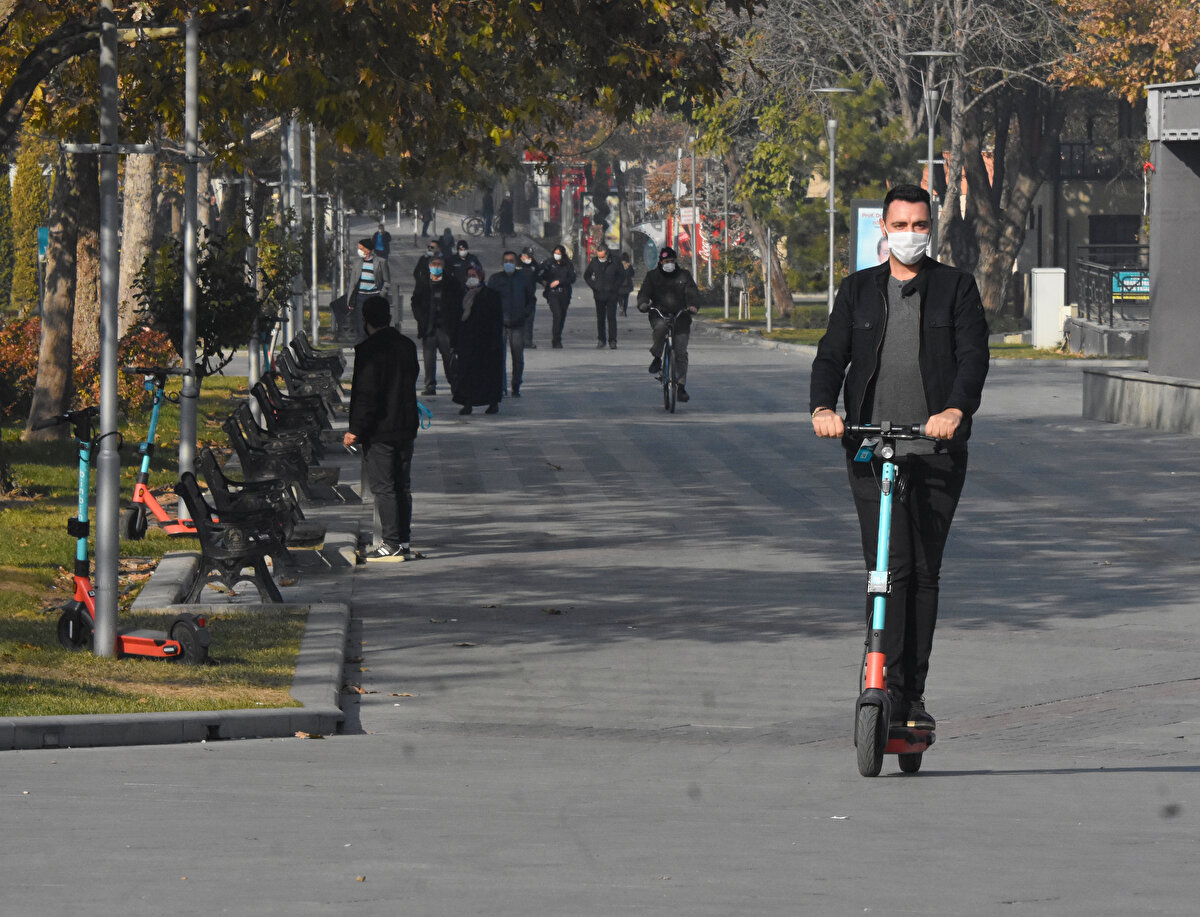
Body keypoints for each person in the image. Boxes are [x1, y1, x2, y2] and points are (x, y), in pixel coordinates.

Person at [809, 183, 990, 730]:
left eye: (919, 225)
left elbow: (973, 359)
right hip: (871, 447)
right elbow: (830, 354)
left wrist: (955, 412)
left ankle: (912, 697)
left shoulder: (955, 288)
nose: (910, 234)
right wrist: (822, 407)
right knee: (886, 571)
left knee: (924, 571)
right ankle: (879, 678)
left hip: (934, 450)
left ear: (929, 229)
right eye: (900, 225)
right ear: (881, 230)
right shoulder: (859, 291)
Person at [344, 295, 421, 561]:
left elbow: (367, 395)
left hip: (380, 430)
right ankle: (404, 540)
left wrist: (355, 429)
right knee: (403, 485)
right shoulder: (407, 346)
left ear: (366, 320)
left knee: (384, 487)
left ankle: (391, 543)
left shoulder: (368, 351)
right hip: (406, 425)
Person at [637, 246, 699, 401]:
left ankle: (681, 387)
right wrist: (643, 303)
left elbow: (693, 293)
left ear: (675, 261)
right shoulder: (653, 276)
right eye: (666, 261)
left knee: (681, 353)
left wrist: (693, 306)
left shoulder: (684, 276)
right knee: (660, 327)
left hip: (681, 317)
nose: (669, 264)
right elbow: (644, 293)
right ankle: (657, 357)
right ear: (661, 262)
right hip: (660, 314)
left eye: (672, 261)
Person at [452, 265, 504, 415]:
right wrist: (455, 342)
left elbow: (496, 319)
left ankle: (492, 402)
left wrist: (495, 340)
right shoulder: (462, 295)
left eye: (474, 275)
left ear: (481, 276)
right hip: (467, 342)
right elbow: (456, 319)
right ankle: (467, 403)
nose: (471, 278)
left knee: (488, 375)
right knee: (467, 375)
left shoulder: (491, 295)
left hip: (486, 343)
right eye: (468, 275)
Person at [410, 256, 462, 397]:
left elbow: (458, 304)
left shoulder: (452, 283)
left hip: (445, 328)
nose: (436, 267)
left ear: (443, 266)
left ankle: (455, 384)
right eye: (434, 264)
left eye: (439, 264)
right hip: (429, 328)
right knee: (428, 359)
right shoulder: (423, 282)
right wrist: (421, 318)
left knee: (449, 358)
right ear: (429, 266)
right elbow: (415, 301)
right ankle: (430, 386)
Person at [487, 250, 535, 397]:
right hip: (500, 324)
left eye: (511, 261)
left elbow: (531, 300)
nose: (509, 263)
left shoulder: (523, 279)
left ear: (516, 262)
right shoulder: (495, 279)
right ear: (503, 263)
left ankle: (516, 386)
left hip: (518, 324)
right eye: (506, 261)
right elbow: (488, 300)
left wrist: (524, 314)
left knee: (518, 358)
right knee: (498, 358)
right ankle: (500, 386)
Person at [349, 238, 391, 343]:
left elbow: (387, 281)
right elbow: (352, 283)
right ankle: (362, 349)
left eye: (361, 248)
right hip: (360, 298)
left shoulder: (381, 262)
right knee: (360, 325)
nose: (359, 250)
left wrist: (381, 295)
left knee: (374, 324)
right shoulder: (357, 262)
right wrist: (351, 300)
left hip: (374, 297)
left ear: (368, 250)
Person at [584, 244, 623, 349]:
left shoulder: (615, 261)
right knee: (600, 318)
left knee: (611, 318)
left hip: (611, 294)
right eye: (599, 256)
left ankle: (613, 340)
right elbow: (586, 275)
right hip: (599, 294)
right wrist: (594, 286)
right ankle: (601, 339)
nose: (600, 258)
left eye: (602, 257)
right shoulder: (594, 261)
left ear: (606, 253)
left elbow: (621, 276)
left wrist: (615, 287)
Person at [537, 244, 576, 349]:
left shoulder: (568, 264)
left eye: (559, 254)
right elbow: (538, 274)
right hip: (552, 294)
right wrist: (545, 283)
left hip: (564, 293)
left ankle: (558, 335)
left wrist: (560, 281)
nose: (557, 255)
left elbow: (572, 278)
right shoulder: (549, 263)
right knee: (557, 315)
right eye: (555, 253)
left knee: (562, 316)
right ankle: (556, 339)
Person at [518, 246, 540, 347]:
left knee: (529, 320)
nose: (529, 259)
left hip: (530, 296)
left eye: (531, 256)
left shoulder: (534, 264)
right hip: (517, 297)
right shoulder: (516, 263)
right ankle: (517, 341)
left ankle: (528, 341)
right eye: (528, 256)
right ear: (523, 255)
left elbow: (538, 277)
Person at [618, 251, 636, 316]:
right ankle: (625, 311)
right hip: (627, 285)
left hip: (619, 285)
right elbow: (633, 274)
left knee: (619, 297)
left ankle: (621, 306)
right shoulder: (629, 266)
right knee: (626, 298)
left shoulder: (618, 266)